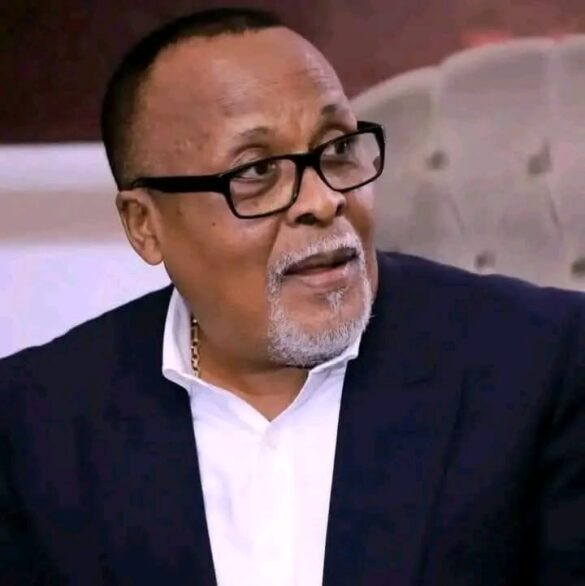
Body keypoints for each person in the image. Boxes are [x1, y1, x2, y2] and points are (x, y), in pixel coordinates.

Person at [1, 6, 584, 585]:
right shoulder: (32, 424)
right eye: (256, 172)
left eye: (338, 149)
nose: (324, 200)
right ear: (144, 225)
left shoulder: (542, 364)